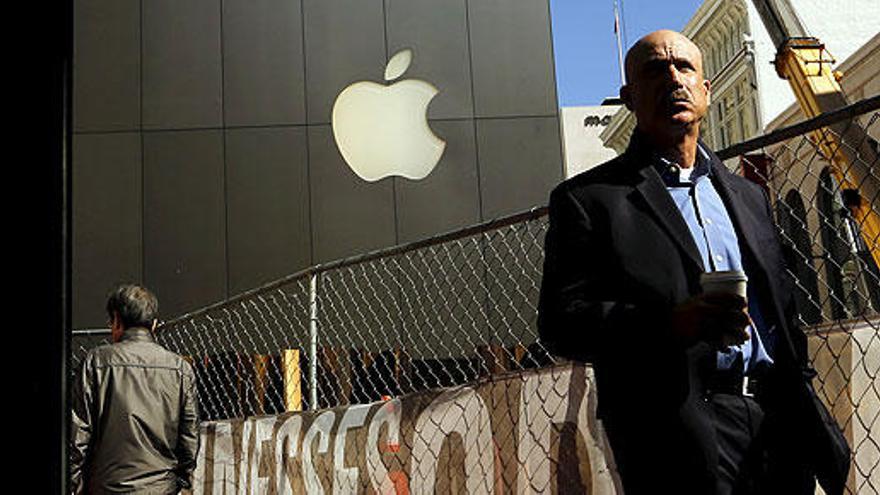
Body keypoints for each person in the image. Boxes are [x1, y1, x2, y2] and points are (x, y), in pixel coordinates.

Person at [537, 30, 849, 495]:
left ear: (706, 90)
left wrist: (812, 415)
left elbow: (784, 321)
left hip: (776, 423)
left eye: (685, 67)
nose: (673, 79)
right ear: (629, 97)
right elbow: (561, 323)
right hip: (673, 432)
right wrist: (667, 324)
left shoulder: (749, 196)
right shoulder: (590, 201)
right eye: (654, 70)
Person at [71, 284, 199, 494]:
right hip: (161, 488)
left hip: (105, 488)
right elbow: (189, 438)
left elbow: (77, 435)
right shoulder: (180, 369)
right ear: (154, 324)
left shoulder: (95, 362)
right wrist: (178, 484)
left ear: (116, 320)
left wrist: (74, 485)